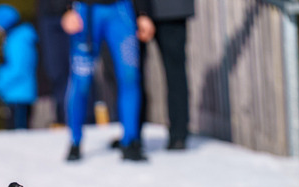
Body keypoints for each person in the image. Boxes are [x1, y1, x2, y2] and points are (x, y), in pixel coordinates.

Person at [60, 0, 149, 161]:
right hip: (86, 12)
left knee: (130, 77)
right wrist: (65, 9)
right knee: (81, 81)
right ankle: (75, 141)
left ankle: (130, 141)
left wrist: (143, 13)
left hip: (121, 10)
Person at [136, 0, 194, 150]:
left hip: (169, 9)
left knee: (174, 72)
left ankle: (178, 134)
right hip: (164, 8)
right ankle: (133, 134)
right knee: (132, 75)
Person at [0, 5, 40, 130]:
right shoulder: (15, 37)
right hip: (14, 94)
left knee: (18, 136)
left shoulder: (18, 39)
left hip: (19, 96)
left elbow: (18, 69)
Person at [36, 0, 73, 126]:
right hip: (48, 14)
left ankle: (86, 118)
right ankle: (62, 117)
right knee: (55, 71)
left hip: (74, 13)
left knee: (79, 70)